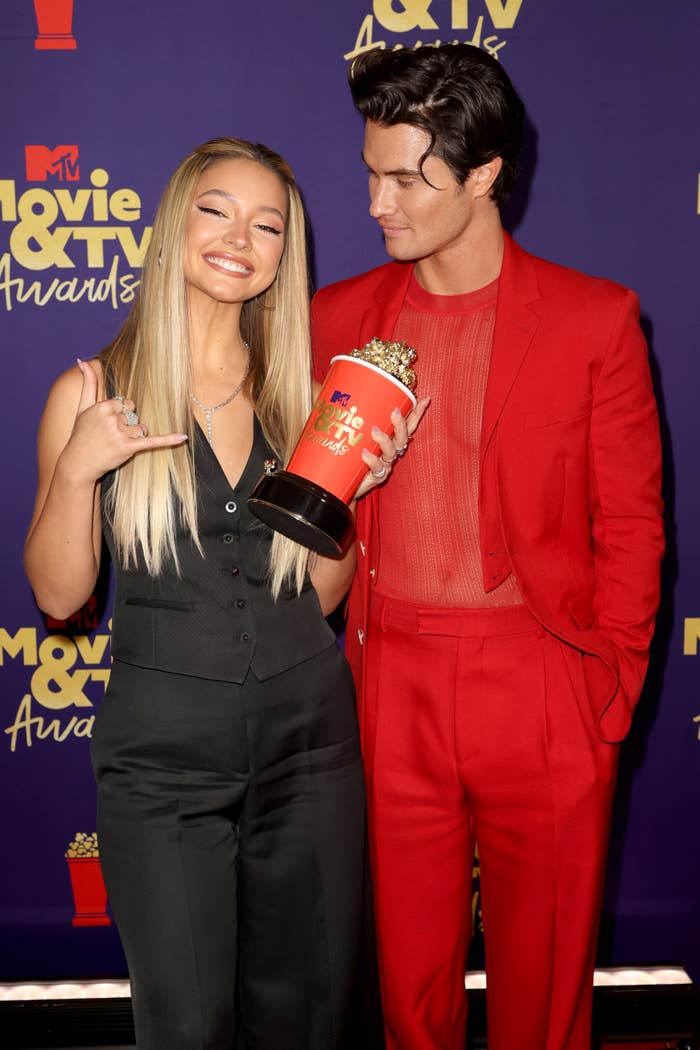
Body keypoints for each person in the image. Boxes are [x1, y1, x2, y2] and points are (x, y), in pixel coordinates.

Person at [312, 46, 664, 1050]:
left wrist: (608, 689)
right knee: (405, 995)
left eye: (405, 179)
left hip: (546, 680)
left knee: (544, 997)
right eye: (371, 171)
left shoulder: (595, 321)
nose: (377, 201)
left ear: (482, 174)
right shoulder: (334, 318)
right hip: (391, 686)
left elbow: (633, 523)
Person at [24, 137, 399, 1050]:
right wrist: (78, 471)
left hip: (311, 753)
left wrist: (349, 497)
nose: (241, 237)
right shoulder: (92, 391)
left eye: (268, 224)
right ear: (173, 224)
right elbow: (59, 595)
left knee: (309, 1022)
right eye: (217, 210)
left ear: (284, 255)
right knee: (187, 1024)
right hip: (162, 768)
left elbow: (319, 597)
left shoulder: (310, 397)